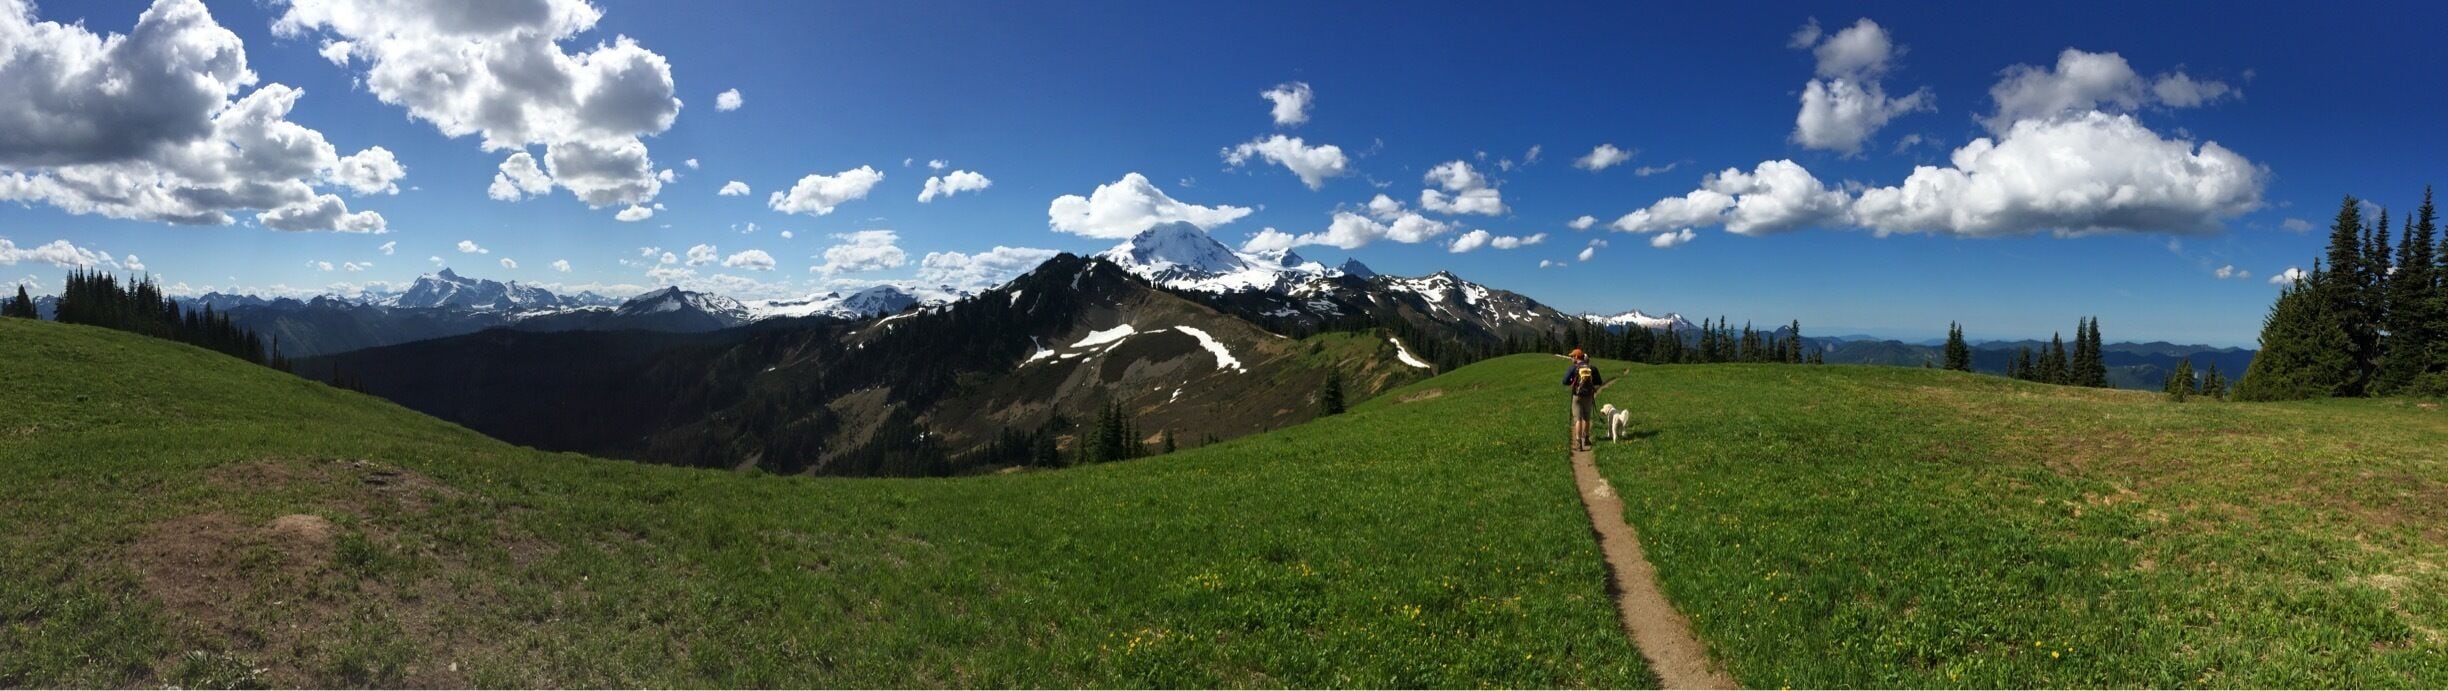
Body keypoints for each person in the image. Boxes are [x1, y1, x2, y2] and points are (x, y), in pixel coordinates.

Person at [1562, 348, 1605, 451]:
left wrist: (1572, 382)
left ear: (1577, 357)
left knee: (1578, 419)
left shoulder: (1573, 368)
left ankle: (1578, 443)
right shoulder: (1591, 368)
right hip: (1588, 396)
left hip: (1577, 396)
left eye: (1572, 356)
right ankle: (1586, 438)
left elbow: (1564, 381)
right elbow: (1599, 381)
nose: (1571, 358)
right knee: (1587, 418)